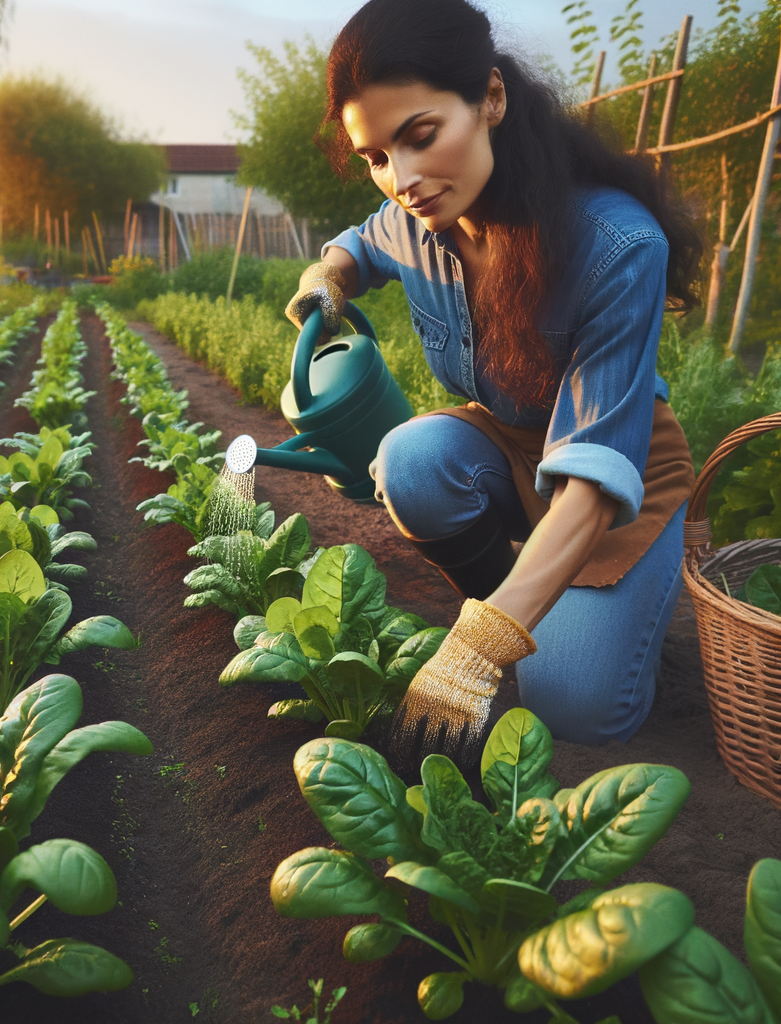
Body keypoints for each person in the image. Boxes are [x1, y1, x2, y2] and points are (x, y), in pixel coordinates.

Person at [284, 0, 701, 764]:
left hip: (612, 485)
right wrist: (326, 281)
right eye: (376, 157)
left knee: (574, 709)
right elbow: (357, 243)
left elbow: (590, 486)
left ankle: (602, 624)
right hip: (512, 449)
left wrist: (475, 648)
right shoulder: (416, 220)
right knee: (409, 461)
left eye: (420, 136)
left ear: (492, 99)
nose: (402, 179)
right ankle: (529, 605)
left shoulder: (614, 245)